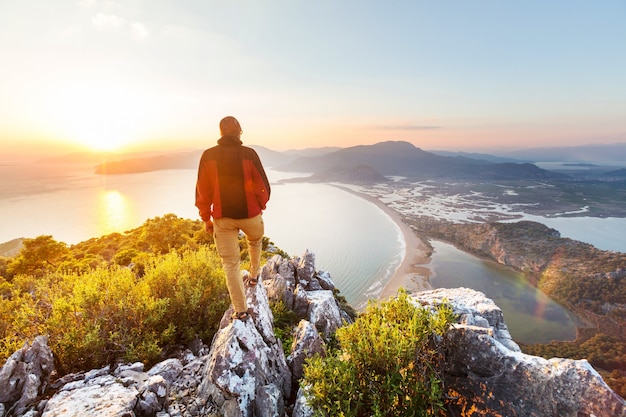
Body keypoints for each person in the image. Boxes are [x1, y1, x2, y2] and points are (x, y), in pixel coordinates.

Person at [195, 116, 271, 321]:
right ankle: (254, 277)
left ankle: (241, 311)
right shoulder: (249, 154)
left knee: (230, 264)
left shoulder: (208, 156)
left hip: (223, 218)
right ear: (238, 131)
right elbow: (263, 185)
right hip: (250, 215)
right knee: (254, 241)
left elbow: (203, 192)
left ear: (220, 132)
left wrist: (206, 219)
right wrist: (259, 206)